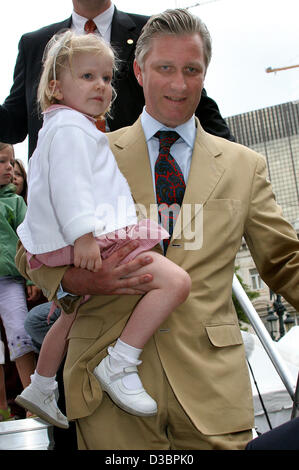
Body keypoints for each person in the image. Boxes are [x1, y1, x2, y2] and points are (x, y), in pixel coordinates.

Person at [16, 8, 299, 450]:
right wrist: (80, 278)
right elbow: (29, 247)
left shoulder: (245, 166)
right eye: (165, 68)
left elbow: (285, 261)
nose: (179, 84)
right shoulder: (86, 148)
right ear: (139, 73)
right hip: (104, 394)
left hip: (211, 397)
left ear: (205, 74)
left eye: (192, 70)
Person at [15, 31, 191, 429]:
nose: (101, 86)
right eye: (88, 77)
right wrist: (83, 238)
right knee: (176, 283)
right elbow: (70, 186)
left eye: (108, 78)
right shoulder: (72, 131)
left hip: (77, 241)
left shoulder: (63, 127)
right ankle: (121, 363)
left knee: (70, 315)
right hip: (92, 239)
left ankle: (41, 385)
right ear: (56, 86)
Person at [0, 0, 233, 159]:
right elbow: (14, 125)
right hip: (60, 197)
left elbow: (194, 102)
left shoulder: (151, 32)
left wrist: (238, 166)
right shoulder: (35, 45)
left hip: (138, 192)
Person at [0, 142, 37, 420]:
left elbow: (29, 241)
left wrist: (31, 279)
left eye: (11, 162)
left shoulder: (15, 202)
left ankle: (34, 399)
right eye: (3, 161)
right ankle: (3, 410)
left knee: (20, 335)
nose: (10, 168)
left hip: (11, 280)